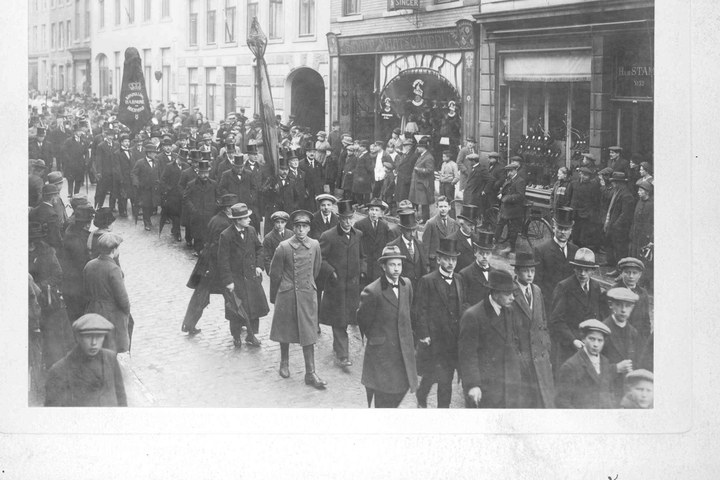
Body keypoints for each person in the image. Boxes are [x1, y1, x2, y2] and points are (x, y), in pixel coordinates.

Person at [269, 210, 327, 389]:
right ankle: (284, 363)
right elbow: (275, 274)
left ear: (309, 228)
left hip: (307, 294)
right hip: (287, 294)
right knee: (285, 330)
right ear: (293, 228)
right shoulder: (284, 247)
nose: (301, 230)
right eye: (298, 226)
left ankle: (310, 373)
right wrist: (275, 297)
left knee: (309, 333)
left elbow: (316, 269)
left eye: (304, 226)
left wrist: (308, 286)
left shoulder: (315, 245)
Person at [357, 245, 418, 408]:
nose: (397, 269)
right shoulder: (372, 291)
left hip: (403, 349)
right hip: (382, 353)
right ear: (383, 266)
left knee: (403, 386)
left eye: (399, 264)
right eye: (392, 264)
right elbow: (363, 319)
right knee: (384, 395)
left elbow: (407, 310)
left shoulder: (407, 285)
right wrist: (378, 337)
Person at [458, 269, 524, 408]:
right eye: (507, 293)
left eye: (513, 293)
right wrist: (473, 385)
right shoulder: (473, 316)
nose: (512, 297)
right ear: (494, 292)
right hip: (486, 388)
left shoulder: (509, 310)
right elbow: (467, 355)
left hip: (509, 385)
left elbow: (514, 341)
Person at [414, 238, 466, 408]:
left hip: (453, 340)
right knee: (432, 373)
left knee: (446, 379)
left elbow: (462, 306)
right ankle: (422, 393)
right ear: (438, 259)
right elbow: (419, 310)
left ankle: (442, 412)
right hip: (435, 339)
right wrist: (424, 334)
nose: (451, 263)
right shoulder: (428, 280)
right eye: (447, 259)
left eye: (454, 259)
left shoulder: (459, 279)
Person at [181, 194, 241, 335]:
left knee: (200, 296)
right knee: (232, 295)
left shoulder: (216, 219)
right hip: (215, 266)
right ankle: (241, 324)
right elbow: (220, 248)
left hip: (207, 265)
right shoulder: (225, 224)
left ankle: (189, 325)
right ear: (227, 209)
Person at [319, 199, 366, 368]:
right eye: (344, 219)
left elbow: (362, 256)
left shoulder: (358, 235)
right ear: (338, 218)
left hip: (352, 287)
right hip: (336, 287)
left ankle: (338, 348)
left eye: (350, 218)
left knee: (346, 319)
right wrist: (331, 271)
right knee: (339, 321)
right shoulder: (328, 236)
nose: (347, 222)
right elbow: (320, 259)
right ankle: (342, 356)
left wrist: (362, 269)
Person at [44, 314, 127, 407]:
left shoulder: (110, 358)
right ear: (78, 337)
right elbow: (53, 414)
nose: (94, 343)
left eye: (99, 336)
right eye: (88, 336)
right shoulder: (59, 371)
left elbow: (121, 398)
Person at [217, 203, 270, 346]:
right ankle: (236, 336)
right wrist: (228, 281)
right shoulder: (226, 235)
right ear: (237, 220)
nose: (249, 219)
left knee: (253, 309)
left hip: (252, 278)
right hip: (236, 280)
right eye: (246, 217)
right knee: (236, 309)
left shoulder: (251, 231)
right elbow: (223, 260)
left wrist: (259, 265)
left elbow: (260, 249)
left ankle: (251, 336)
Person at [510, 251, 556, 408]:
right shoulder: (510, 292)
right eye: (525, 270)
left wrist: (546, 346)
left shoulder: (536, 290)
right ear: (516, 271)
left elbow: (543, 321)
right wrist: (517, 356)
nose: (530, 274)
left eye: (532, 270)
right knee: (525, 401)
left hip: (540, 356)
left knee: (543, 400)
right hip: (522, 357)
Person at [29, 221, 75, 369]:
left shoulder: (47, 251)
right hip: (31, 303)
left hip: (48, 302)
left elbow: (58, 274)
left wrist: (39, 286)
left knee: (55, 338)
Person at [549, 248, 603, 370]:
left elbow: (598, 314)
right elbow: (556, 320)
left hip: (590, 344)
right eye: (579, 269)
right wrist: (572, 340)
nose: (582, 273)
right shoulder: (564, 287)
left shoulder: (595, 286)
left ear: (593, 271)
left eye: (586, 270)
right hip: (568, 346)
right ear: (574, 268)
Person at [83, 232, 131, 353]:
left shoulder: (89, 265)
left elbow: (86, 291)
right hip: (110, 314)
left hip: (92, 310)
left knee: (96, 346)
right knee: (110, 348)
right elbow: (122, 299)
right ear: (114, 249)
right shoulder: (113, 269)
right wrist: (126, 312)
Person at [555, 319, 617, 408]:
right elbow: (562, 402)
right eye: (592, 339)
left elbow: (610, 395)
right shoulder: (571, 366)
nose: (596, 344)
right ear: (583, 339)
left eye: (600, 340)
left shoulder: (605, 362)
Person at [533, 207, 579, 311]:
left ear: (571, 230)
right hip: (549, 302)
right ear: (554, 227)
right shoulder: (541, 250)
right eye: (560, 228)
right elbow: (537, 281)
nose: (563, 232)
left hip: (569, 303)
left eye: (566, 229)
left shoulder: (575, 250)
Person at [600, 286, 641, 402]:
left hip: (626, 390)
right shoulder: (602, 330)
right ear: (611, 305)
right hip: (606, 391)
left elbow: (636, 361)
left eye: (627, 306)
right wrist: (616, 368)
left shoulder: (633, 332)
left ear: (632, 308)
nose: (623, 310)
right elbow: (591, 366)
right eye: (619, 305)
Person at [601, 257, 652, 341]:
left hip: (637, 341)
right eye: (627, 272)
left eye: (634, 273)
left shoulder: (643, 294)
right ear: (621, 273)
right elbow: (605, 318)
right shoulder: (612, 292)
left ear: (640, 275)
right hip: (617, 340)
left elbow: (646, 321)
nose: (631, 276)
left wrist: (645, 341)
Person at [60, 204, 95, 322]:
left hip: (68, 285)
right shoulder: (82, 239)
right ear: (87, 223)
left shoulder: (69, 233)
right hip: (79, 286)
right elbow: (83, 265)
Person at [354, 198, 398, 283]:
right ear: (368, 211)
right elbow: (355, 245)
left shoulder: (384, 226)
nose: (374, 212)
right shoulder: (359, 225)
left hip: (378, 265)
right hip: (365, 265)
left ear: (381, 213)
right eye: (372, 210)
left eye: (377, 210)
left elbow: (388, 244)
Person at [603, 172, 636, 274]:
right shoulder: (617, 192)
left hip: (620, 228)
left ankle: (620, 270)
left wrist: (616, 225)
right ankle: (612, 263)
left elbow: (625, 214)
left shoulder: (626, 195)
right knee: (612, 245)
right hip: (613, 225)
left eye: (614, 182)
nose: (612, 184)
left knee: (620, 250)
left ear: (619, 183)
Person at [183, 160, 218, 254]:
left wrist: (214, 207)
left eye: (207, 173)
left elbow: (218, 197)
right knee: (197, 232)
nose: (205, 175)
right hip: (197, 214)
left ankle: (207, 251)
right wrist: (193, 209)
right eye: (202, 173)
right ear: (198, 173)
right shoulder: (191, 184)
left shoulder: (214, 184)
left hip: (210, 213)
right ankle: (198, 250)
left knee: (209, 232)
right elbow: (186, 198)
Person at [387, 210, 428, 289]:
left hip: (419, 288)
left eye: (414, 230)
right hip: (402, 288)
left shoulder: (419, 244)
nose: (412, 234)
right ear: (401, 230)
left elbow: (424, 267)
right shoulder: (393, 246)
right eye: (409, 231)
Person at [495, 161, 526, 256]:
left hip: (514, 209)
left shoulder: (520, 181)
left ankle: (511, 248)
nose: (508, 173)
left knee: (513, 229)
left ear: (515, 170)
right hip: (506, 208)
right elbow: (505, 190)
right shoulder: (509, 180)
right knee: (500, 224)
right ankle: (495, 242)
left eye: (510, 171)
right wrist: (501, 193)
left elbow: (520, 196)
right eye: (508, 171)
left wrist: (505, 198)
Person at [566, 167, 601, 249]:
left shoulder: (592, 186)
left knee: (583, 238)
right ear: (580, 174)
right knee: (574, 235)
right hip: (574, 214)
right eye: (584, 175)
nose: (585, 177)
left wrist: (590, 213)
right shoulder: (573, 184)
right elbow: (569, 197)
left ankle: (581, 253)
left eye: (587, 176)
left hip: (585, 215)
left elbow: (595, 201)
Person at [160, 141, 189, 241]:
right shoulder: (169, 166)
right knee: (175, 214)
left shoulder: (186, 167)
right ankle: (177, 234)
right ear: (177, 158)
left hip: (183, 195)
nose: (182, 161)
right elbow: (162, 180)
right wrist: (168, 189)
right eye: (181, 159)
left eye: (184, 160)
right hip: (173, 195)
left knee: (181, 214)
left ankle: (174, 229)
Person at [459, 230, 496, 307]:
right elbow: (463, 302)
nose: (485, 256)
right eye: (481, 253)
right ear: (475, 252)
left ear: (491, 254)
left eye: (488, 253)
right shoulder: (465, 274)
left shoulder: (495, 273)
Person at [131, 142, 162, 231]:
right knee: (146, 206)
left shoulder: (157, 162)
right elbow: (134, 173)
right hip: (145, 189)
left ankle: (148, 219)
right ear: (148, 153)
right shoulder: (140, 162)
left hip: (155, 188)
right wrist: (136, 183)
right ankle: (147, 222)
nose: (156, 154)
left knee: (153, 206)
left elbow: (159, 173)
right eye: (154, 153)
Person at [262, 158, 300, 230]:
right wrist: (272, 189)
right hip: (275, 212)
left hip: (288, 212)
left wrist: (293, 207)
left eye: (286, 169)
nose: (285, 172)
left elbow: (297, 197)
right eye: (282, 169)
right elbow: (264, 193)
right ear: (278, 169)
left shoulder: (292, 182)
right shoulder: (272, 180)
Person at [422, 196, 459, 269]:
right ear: (437, 207)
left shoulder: (453, 222)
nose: (443, 209)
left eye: (445, 206)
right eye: (441, 206)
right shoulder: (431, 223)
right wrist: (426, 264)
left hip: (448, 260)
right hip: (435, 261)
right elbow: (425, 245)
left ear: (449, 207)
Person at [29, 183, 64, 251]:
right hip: (48, 249)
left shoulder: (34, 210)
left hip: (35, 246)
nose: (57, 198)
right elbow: (55, 238)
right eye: (57, 195)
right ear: (53, 197)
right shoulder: (52, 215)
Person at [629, 180, 654, 272]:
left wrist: (650, 238)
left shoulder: (651, 205)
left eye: (641, 190)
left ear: (647, 192)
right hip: (636, 233)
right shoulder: (639, 202)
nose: (638, 192)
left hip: (644, 236)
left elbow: (650, 223)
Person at [409, 137, 435, 223]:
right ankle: (419, 218)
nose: (417, 149)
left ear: (423, 147)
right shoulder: (422, 155)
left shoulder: (428, 157)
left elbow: (429, 170)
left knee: (424, 202)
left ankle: (425, 219)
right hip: (418, 182)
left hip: (423, 183)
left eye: (418, 147)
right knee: (418, 201)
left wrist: (418, 169)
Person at [448, 204, 479, 272]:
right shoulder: (452, 239)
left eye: (474, 225)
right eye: (469, 225)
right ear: (461, 224)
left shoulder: (476, 239)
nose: (473, 228)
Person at [60, 125, 87, 197]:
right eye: (78, 131)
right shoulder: (69, 141)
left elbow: (86, 152)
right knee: (70, 180)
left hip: (80, 164)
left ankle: (76, 194)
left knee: (78, 180)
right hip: (71, 164)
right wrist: (68, 159)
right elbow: (64, 151)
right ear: (74, 132)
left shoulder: (83, 141)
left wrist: (86, 161)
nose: (80, 133)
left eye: (80, 131)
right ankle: (70, 193)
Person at [462, 153, 490, 221]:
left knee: (474, 213)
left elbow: (490, 180)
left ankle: (474, 226)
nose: (469, 163)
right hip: (469, 193)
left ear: (473, 161)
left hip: (475, 194)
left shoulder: (482, 169)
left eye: (469, 161)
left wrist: (484, 190)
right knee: (468, 212)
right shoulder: (473, 168)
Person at [395, 138, 417, 204]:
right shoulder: (404, 154)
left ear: (410, 146)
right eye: (404, 145)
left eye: (406, 145)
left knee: (404, 197)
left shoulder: (413, 156)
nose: (404, 147)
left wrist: (408, 178)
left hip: (406, 179)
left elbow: (411, 168)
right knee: (400, 197)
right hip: (401, 178)